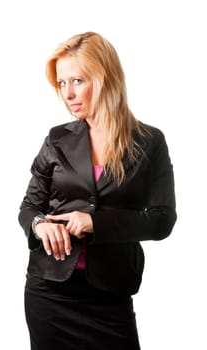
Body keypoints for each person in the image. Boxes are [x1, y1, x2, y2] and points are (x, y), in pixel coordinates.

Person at [18, 31, 177, 350]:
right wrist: (40, 224)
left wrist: (97, 223)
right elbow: (29, 207)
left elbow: (162, 220)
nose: (68, 93)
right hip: (49, 293)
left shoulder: (148, 142)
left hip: (110, 294)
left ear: (104, 78)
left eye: (76, 81)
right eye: (61, 84)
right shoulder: (57, 138)